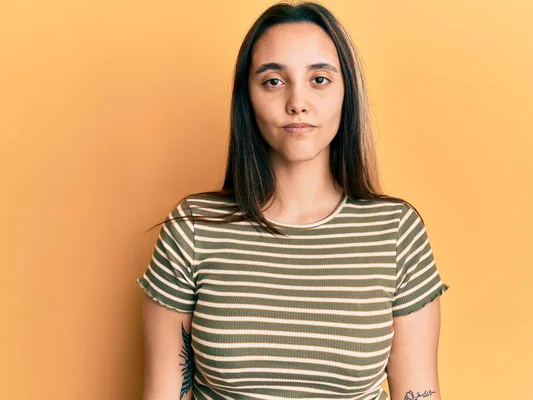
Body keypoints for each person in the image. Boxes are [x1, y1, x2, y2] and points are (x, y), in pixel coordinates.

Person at [136, 2, 450, 399]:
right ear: (246, 97)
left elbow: (419, 391)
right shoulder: (193, 228)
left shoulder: (395, 232)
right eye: (273, 81)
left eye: (319, 79)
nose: (297, 101)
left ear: (345, 94)